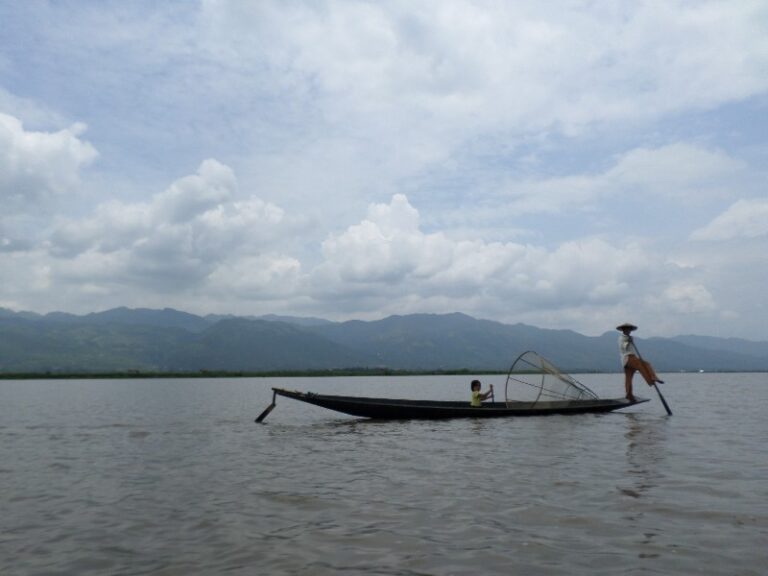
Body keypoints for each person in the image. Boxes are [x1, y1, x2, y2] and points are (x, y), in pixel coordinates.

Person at [617, 322, 664, 402]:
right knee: (645, 364)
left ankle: (629, 395)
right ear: (623, 330)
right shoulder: (622, 338)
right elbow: (624, 347)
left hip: (626, 361)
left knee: (628, 379)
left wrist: (630, 340)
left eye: (630, 329)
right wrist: (629, 341)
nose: (629, 331)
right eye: (627, 329)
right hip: (629, 358)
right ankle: (652, 378)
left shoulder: (628, 337)